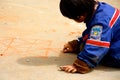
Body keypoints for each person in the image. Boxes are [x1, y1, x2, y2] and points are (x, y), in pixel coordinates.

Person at [59, 0, 120, 74]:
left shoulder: (100, 23)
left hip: (117, 53)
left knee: (86, 48)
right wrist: (78, 43)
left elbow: (97, 45)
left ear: (80, 17)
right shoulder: (100, 8)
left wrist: (80, 65)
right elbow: (93, 33)